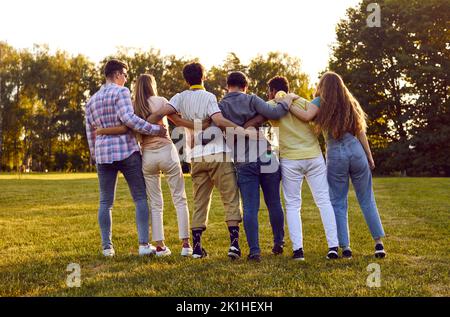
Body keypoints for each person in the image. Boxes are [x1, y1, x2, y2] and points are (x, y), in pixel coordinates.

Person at [147, 62, 259, 260]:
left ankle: (197, 248)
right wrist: (242, 131)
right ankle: (234, 245)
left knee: (199, 201)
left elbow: (160, 114)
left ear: (186, 79)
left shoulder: (179, 97)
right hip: (218, 153)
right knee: (230, 198)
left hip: (197, 156)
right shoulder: (209, 97)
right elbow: (218, 120)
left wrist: (180, 122)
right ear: (203, 77)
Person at [95, 74, 198, 257]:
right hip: (167, 151)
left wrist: (102, 131)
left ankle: (160, 247)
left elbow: (127, 126)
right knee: (179, 198)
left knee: (156, 203)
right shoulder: (161, 101)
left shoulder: (133, 106)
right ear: (153, 85)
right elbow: (178, 121)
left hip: (147, 156)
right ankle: (186, 245)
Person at [288, 71, 386, 259]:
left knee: (338, 202)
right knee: (367, 199)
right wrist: (369, 157)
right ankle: (378, 244)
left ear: (322, 86)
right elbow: (361, 132)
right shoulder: (350, 102)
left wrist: (290, 102)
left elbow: (306, 116)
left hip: (336, 155)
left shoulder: (320, 102)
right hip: (356, 152)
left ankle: (345, 247)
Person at [244, 76, 339, 261]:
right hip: (314, 156)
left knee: (293, 205)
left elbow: (251, 124)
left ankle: (298, 251)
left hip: (290, 160)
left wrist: (264, 137)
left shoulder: (270, 105)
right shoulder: (303, 101)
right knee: (323, 201)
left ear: (272, 91)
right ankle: (333, 246)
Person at [85, 59, 167, 257]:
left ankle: (107, 247)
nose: (126, 78)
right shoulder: (121, 92)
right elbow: (129, 120)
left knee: (105, 202)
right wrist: (156, 130)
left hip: (104, 155)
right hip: (126, 151)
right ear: (117, 75)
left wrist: (95, 154)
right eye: (125, 74)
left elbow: (90, 132)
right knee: (140, 198)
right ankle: (143, 245)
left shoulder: (91, 100)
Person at [218, 71, 297, 262]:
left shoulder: (221, 106)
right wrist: (288, 99)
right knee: (274, 203)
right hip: (266, 155)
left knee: (250, 208)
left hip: (244, 162)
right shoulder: (252, 99)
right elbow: (277, 112)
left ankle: (255, 251)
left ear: (228, 86)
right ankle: (279, 242)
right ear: (245, 86)